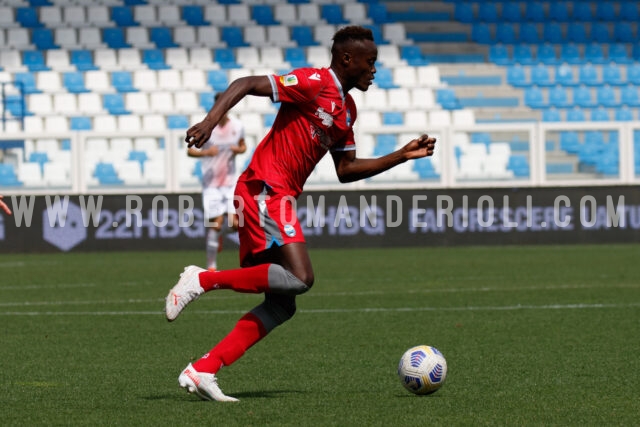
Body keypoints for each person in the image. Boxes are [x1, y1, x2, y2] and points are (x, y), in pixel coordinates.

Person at [165, 25, 436, 402]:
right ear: (347, 59)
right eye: (370, 62)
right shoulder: (313, 82)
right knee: (301, 277)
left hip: (278, 196)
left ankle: (204, 369)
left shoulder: (347, 110)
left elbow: (346, 171)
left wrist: (400, 156)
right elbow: (245, 82)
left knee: (282, 302)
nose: (374, 69)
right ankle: (203, 279)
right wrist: (211, 122)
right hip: (264, 188)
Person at [187, 92, 246, 271]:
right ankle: (211, 266)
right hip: (211, 183)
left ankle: (219, 235)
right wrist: (206, 152)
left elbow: (243, 146)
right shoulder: (205, 128)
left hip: (230, 183)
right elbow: (189, 151)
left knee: (237, 224)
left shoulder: (237, 126)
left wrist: (238, 149)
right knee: (216, 223)